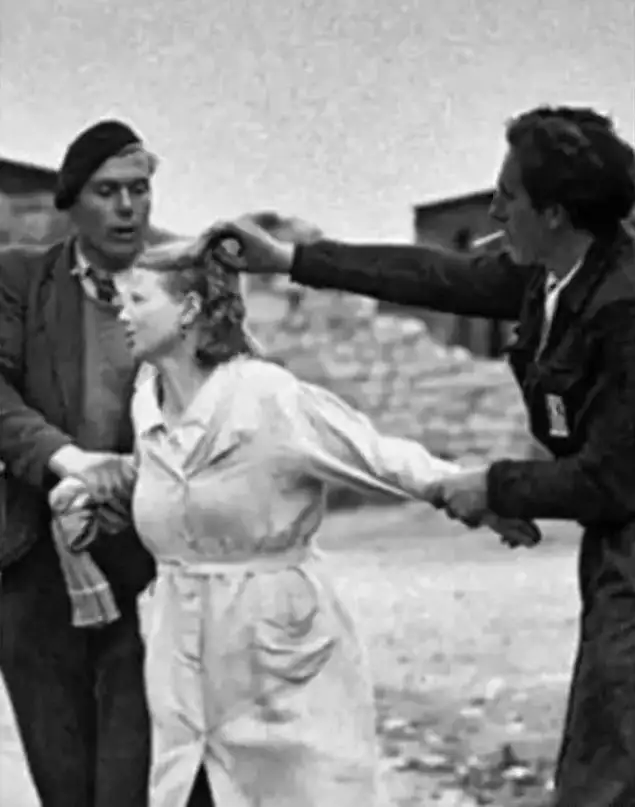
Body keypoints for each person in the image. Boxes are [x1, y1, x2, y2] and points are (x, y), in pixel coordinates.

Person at [207, 105, 635, 806]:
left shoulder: (622, 306)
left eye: (508, 197)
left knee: (605, 771)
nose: (494, 212)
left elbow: (612, 478)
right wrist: (289, 260)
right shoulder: (553, 276)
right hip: (615, 544)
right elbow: (435, 276)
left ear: (555, 213)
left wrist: (491, 485)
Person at [48, 234, 537, 807]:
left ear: (188, 309)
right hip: (181, 648)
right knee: (194, 788)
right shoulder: (147, 400)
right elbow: (179, 482)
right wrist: (108, 497)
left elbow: (375, 455)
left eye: (137, 299)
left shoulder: (266, 396)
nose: (122, 315)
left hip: (274, 647)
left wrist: (471, 491)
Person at [0, 120, 162, 807]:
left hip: (149, 566)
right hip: (37, 568)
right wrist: (68, 461)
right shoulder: (21, 279)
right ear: (71, 202)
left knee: (141, 779)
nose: (127, 207)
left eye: (139, 189)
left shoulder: (176, 287)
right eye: (107, 191)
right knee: (65, 782)